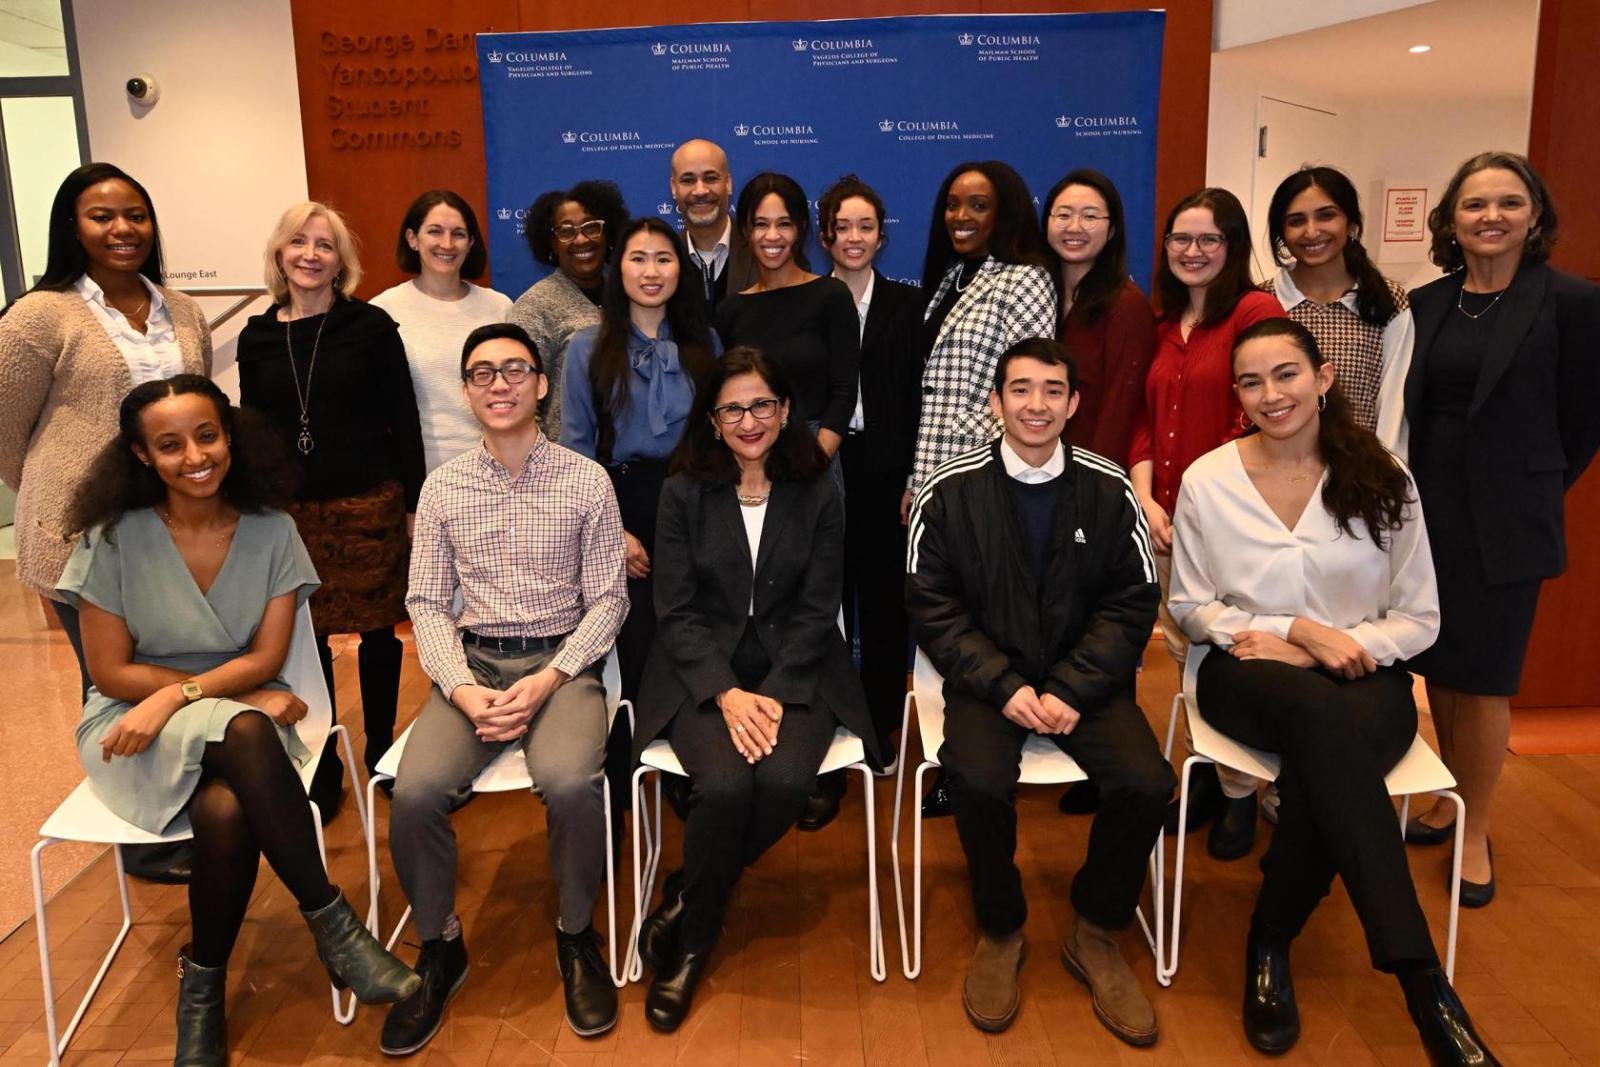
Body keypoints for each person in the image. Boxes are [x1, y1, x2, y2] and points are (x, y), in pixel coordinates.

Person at [58, 375, 419, 1064]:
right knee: (247, 728)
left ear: (231, 436)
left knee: (226, 810)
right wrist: (203, 701)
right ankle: (335, 928)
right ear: (141, 456)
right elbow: (110, 673)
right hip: (133, 728)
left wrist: (185, 696)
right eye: (169, 444)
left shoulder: (272, 528)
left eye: (206, 434)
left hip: (233, 723)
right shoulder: (111, 538)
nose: (195, 455)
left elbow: (267, 656)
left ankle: (203, 989)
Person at [1167, 318, 1499, 1065]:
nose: (1269, 393)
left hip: (1365, 676)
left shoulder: (1384, 477)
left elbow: (1419, 616)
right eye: (1250, 382)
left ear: (1322, 378)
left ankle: (1270, 939)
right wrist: (1297, 631)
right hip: (1246, 673)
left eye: (1285, 374)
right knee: (1327, 732)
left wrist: (1341, 646)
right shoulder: (1208, 479)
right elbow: (1190, 604)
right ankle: (1424, 983)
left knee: (1326, 758)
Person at [905, 337, 1170, 1042]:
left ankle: (1096, 926)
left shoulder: (1110, 487)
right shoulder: (948, 488)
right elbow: (931, 604)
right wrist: (1003, 684)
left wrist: (1075, 688)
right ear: (995, 402)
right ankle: (1001, 926)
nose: (1036, 404)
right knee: (978, 779)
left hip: (1086, 682)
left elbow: (1132, 601)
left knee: (1147, 782)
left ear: (1074, 403)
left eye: (1053, 390)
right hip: (989, 683)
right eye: (1020, 389)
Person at [385, 322, 628, 1051]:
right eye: (483, 373)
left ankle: (576, 933)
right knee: (417, 791)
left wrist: (552, 676)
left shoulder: (588, 480)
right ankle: (440, 944)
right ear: (465, 391)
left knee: (571, 781)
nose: (499, 384)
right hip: (475, 668)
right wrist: (461, 688)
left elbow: (610, 599)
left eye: (515, 370)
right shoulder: (443, 487)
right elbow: (426, 603)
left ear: (542, 384)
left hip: (563, 663)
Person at [630, 347, 881, 1032]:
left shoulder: (817, 485)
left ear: (786, 409)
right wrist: (726, 692)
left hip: (795, 665)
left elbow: (818, 603)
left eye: (762, 405)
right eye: (733, 408)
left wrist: (771, 689)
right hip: (698, 667)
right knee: (727, 786)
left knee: (785, 782)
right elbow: (675, 609)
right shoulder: (683, 491)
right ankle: (696, 945)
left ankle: (689, 896)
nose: (750, 420)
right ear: (712, 419)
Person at [0, 162, 211, 885]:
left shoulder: (181, 310)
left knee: (170, 678)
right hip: (77, 537)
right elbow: (6, 427)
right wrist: (49, 495)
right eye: (101, 216)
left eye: (135, 215)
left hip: (167, 533)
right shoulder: (41, 315)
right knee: (113, 685)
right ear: (72, 227)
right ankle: (141, 835)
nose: (122, 229)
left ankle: (180, 805)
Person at [1401, 151, 1600, 909]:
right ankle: (1446, 796)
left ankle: (1475, 826)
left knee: (1484, 679)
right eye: (1475, 205)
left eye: (1508, 203)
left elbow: (1583, 422)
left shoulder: (1572, 302)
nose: (1491, 217)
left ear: (1536, 216)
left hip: (1507, 520)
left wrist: (1527, 484)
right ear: (1451, 220)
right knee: (1440, 669)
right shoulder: (1427, 303)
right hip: (1427, 511)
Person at [236, 202, 425, 805]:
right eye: (299, 242)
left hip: (368, 502)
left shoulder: (370, 327)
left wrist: (414, 503)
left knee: (376, 633)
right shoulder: (257, 336)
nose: (311, 255)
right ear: (279, 253)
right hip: (290, 511)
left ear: (341, 261)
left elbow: (405, 419)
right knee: (306, 638)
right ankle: (321, 757)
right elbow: (253, 431)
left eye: (325, 245)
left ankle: (379, 748)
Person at [1131, 187, 1286, 856]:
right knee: (1183, 653)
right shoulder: (1165, 323)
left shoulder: (1255, 311)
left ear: (1232, 246)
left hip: (1230, 522)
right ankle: (1214, 773)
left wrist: (1197, 499)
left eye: (1208, 240)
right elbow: (1144, 417)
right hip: (1164, 519)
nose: (1193, 252)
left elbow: (1261, 411)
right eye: (1180, 239)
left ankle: (1243, 794)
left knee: (1234, 655)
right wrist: (1145, 492)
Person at [910, 161, 1056, 820]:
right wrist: (918, 481)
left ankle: (968, 762)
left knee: (975, 622)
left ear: (1005, 214)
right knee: (941, 621)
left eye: (978, 206)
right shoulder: (946, 279)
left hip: (979, 483)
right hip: (932, 483)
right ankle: (956, 754)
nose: (961, 217)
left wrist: (945, 476)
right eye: (952, 205)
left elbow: (1022, 392)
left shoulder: (1025, 280)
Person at [561, 217, 720, 702]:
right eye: (638, 258)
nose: (651, 271)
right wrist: (613, 533)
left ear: (680, 270)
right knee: (638, 636)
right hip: (621, 502)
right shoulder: (587, 347)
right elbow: (576, 450)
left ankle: (690, 749)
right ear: (618, 269)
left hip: (696, 500)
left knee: (697, 627)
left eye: (664, 258)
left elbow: (722, 438)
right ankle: (633, 748)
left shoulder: (706, 344)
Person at [817, 173, 924, 763]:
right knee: (825, 603)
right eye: (842, 227)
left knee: (884, 607)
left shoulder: (910, 305)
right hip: (823, 472)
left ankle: (880, 725)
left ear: (882, 236)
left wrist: (913, 476)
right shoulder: (810, 301)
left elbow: (919, 397)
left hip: (888, 474)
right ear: (825, 236)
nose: (853, 237)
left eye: (865, 226)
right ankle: (831, 723)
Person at [1264, 166, 1412, 454]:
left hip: (1359, 473)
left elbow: (1394, 408)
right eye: (1296, 221)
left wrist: (1385, 475)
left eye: (1326, 215)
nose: (1311, 231)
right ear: (1282, 233)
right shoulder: (1261, 302)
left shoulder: (1388, 301)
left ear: (1352, 225)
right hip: (1273, 474)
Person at [713, 172, 860, 462]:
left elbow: (843, 392)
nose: (772, 236)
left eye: (784, 224)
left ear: (801, 229)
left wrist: (816, 461)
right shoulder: (729, 311)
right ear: (745, 230)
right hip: (750, 456)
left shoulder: (831, 296)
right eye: (760, 224)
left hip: (816, 453)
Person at [371, 189, 513, 473]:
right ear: (413, 239)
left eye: (459, 234)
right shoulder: (383, 311)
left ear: (471, 242)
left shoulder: (499, 307)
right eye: (434, 231)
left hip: (496, 467)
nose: (447, 244)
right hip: (418, 471)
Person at [1043, 168, 1156, 465]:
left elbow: (1120, 414)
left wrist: (1093, 486)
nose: (1074, 227)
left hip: (1088, 476)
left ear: (1112, 229)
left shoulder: (1126, 307)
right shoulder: (1035, 297)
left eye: (1090, 216)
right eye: (1063, 215)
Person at [508, 179, 629, 441]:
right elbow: (517, 397)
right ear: (551, 242)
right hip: (567, 466)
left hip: (631, 459)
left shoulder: (630, 294)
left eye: (591, 227)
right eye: (566, 231)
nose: (581, 239)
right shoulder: (534, 306)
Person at [667, 138, 757, 312]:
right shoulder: (665, 259)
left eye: (710, 178)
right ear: (673, 188)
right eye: (688, 180)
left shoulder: (763, 251)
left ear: (728, 184)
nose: (700, 191)